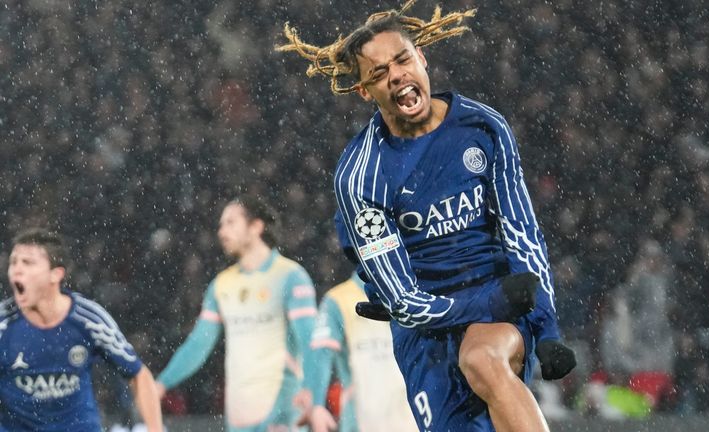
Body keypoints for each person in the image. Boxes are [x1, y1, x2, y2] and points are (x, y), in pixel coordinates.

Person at [278, 1, 576, 431]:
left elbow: (522, 234)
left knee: (482, 357)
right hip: (427, 334)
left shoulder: (483, 128)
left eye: (402, 59)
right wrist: (492, 300)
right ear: (365, 91)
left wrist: (545, 329)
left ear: (422, 57)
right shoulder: (361, 176)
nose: (396, 74)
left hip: (498, 308)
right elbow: (403, 301)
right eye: (378, 73)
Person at [154, 195, 317, 432]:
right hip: (238, 417)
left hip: (282, 413)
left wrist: (311, 389)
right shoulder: (221, 285)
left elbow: (310, 341)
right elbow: (198, 344)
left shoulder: (290, 277)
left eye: (231, 222)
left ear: (256, 227)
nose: (222, 231)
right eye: (221, 224)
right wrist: (162, 383)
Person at [0, 228, 163, 432]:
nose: (16, 269)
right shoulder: (3, 325)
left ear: (55, 274)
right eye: (14, 262)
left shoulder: (88, 320)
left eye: (28, 262)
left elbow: (138, 374)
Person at [296, 272, 418, 432]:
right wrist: (317, 405)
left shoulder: (417, 292)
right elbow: (320, 354)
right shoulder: (338, 300)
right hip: (362, 422)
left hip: (415, 421)